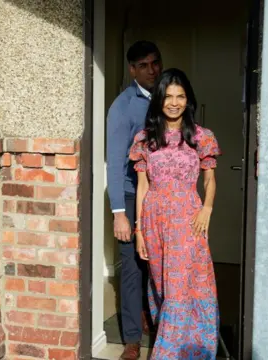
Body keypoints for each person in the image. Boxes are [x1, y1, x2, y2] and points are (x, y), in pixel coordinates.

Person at [130, 68, 222, 359]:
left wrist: (207, 208)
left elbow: (209, 178)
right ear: (159, 99)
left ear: (188, 100)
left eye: (180, 96)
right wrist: (139, 231)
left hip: (188, 219)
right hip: (153, 220)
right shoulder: (145, 139)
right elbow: (142, 187)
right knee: (163, 288)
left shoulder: (201, 137)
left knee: (183, 287)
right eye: (168, 96)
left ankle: (169, 355)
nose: (174, 102)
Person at [106, 40, 162, 360]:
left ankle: (160, 329)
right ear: (132, 70)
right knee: (132, 268)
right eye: (143, 65)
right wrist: (119, 213)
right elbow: (115, 162)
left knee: (158, 264)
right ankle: (131, 339)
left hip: (163, 195)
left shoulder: (167, 97)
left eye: (155, 63)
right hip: (130, 194)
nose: (152, 70)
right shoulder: (122, 106)